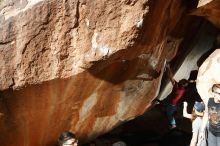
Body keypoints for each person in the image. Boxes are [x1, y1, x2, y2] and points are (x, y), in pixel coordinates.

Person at [165, 63, 189, 129]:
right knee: (170, 111)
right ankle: (174, 114)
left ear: (181, 83)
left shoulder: (177, 88)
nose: (180, 80)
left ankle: (173, 125)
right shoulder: (182, 89)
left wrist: (168, 67)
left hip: (172, 104)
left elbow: (171, 78)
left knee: (169, 115)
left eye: (181, 80)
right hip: (174, 104)